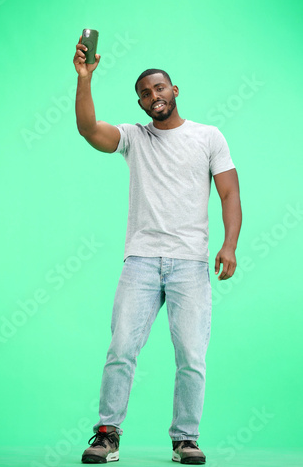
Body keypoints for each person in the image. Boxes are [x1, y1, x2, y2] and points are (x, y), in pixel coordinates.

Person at [73, 34, 242, 465]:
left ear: (175, 90)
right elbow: (89, 129)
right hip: (141, 261)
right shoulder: (134, 138)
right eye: (145, 94)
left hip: (189, 263)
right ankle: (107, 435)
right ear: (141, 104)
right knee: (121, 350)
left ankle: (186, 438)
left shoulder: (208, 136)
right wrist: (85, 78)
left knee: (191, 355)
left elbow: (228, 193)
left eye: (160, 88)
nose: (154, 96)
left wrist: (229, 244)